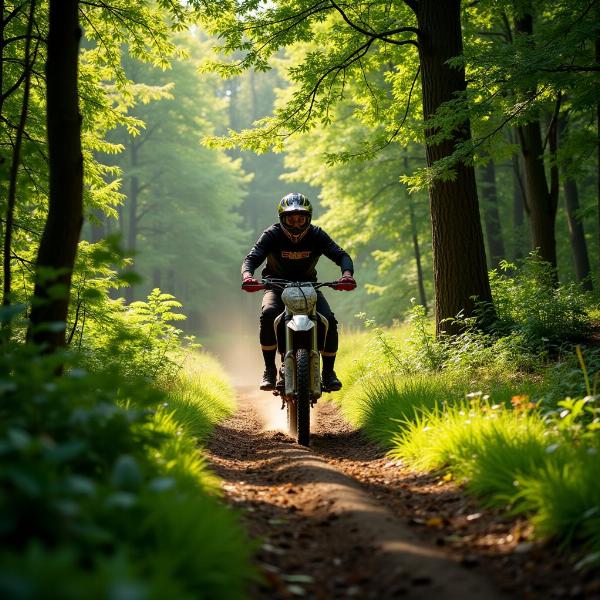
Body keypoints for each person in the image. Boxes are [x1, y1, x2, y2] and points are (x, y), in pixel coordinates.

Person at [241, 192, 356, 391]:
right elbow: (252, 258)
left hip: (309, 287)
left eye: (300, 219)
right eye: (291, 219)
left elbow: (341, 255)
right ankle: (269, 370)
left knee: (328, 319)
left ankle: (328, 372)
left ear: (308, 218)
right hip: (276, 287)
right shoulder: (272, 234)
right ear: (282, 219)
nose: (295, 224)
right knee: (268, 315)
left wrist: (346, 275)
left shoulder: (317, 234)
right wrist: (248, 277)